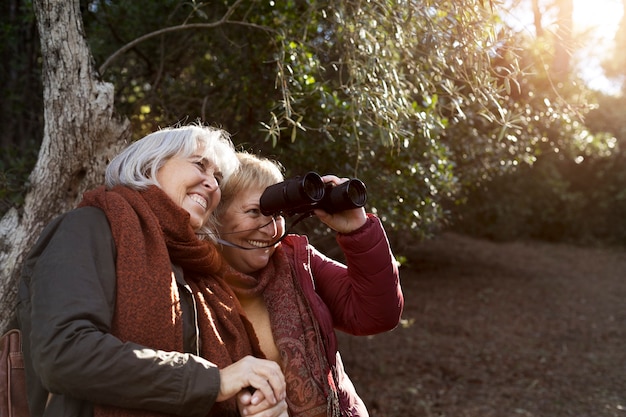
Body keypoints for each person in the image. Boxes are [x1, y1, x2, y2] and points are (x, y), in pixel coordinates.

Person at [16, 125, 288, 417]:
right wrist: (213, 381)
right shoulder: (88, 228)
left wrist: (257, 406)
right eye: (199, 165)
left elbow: (225, 386)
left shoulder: (201, 273)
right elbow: (64, 353)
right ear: (149, 165)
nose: (212, 184)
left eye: (218, 178)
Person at [213, 152, 404, 417]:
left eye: (277, 214)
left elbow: (377, 315)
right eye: (255, 212)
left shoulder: (297, 261)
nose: (271, 230)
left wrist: (357, 230)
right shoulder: (192, 283)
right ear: (215, 216)